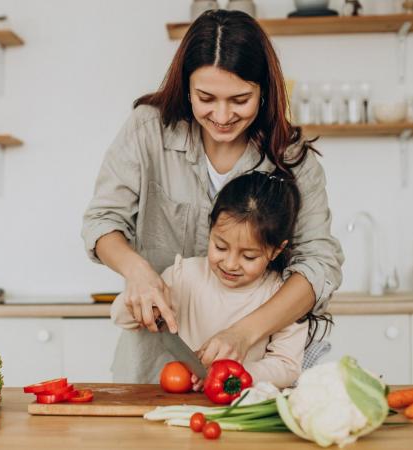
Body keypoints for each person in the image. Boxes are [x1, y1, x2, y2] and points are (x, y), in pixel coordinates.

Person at [82, 10, 344, 383]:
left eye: (240, 99)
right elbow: (102, 221)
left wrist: (244, 332)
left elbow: (319, 263)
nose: (222, 115)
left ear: (264, 91)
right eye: (206, 97)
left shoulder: (290, 158)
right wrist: (137, 272)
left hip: (251, 373)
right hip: (154, 367)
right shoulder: (148, 129)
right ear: (186, 87)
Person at [112, 170, 320, 388]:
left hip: (241, 405)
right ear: (210, 230)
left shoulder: (285, 297)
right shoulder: (183, 274)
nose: (230, 264)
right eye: (220, 247)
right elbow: (119, 317)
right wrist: (142, 304)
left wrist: (233, 375)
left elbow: (286, 366)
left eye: (249, 256)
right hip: (178, 402)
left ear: (276, 251)